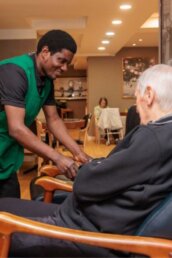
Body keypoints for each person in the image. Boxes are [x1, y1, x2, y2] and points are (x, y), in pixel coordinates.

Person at [1, 64, 172, 257]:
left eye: (136, 98)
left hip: (79, 234)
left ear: (149, 95)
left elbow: (85, 185)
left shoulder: (153, 137)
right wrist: (97, 166)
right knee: (5, 203)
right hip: (85, 223)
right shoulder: (164, 136)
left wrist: (92, 168)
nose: (137, 108)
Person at [0, 30, 90, 198]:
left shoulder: (47, 80)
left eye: (67, 63)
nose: (64, 68)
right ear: (45, 52)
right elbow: (17, 128)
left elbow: (54, 119)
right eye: (61, 61)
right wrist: (57, 157)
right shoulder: (14, 72)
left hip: (7, 159)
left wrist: (78, 153)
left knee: (11, 214)